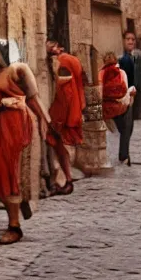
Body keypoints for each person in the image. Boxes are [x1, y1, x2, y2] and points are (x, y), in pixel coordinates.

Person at [0, 39, 50, 244]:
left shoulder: (19, 70)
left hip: (14, 123)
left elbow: (32, 97)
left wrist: (44, 119)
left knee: (7, 172)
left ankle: (14, 225)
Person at [46, 41, 84, 195]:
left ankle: (66, 179)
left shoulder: (63, 62)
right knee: (59, 147)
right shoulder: (70, 60)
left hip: (63, 113)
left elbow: (65, 91)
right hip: (70, 110)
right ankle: (65, 179)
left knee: (60, 146)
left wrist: (59, 119)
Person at [116, 31, 141, 166]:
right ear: (123, 41)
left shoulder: (135, 58)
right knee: (126, 126)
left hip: (131, 96)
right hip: (124, 96)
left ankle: (125, 155)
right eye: (128, 39)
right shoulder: (122, 59)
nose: (131, 42)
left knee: (128, 127)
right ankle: (124, 156)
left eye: (133, 39)